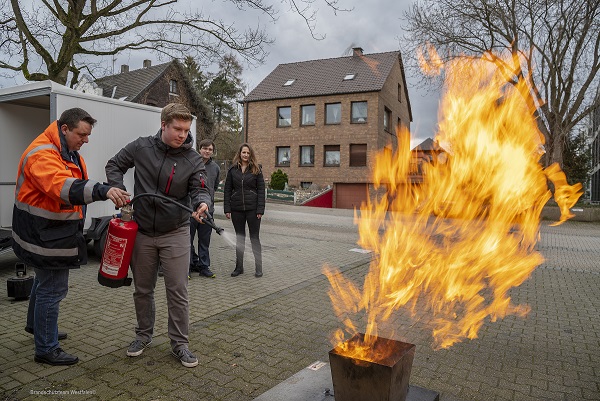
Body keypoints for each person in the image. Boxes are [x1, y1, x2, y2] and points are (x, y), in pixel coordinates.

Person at [12, 108, 130, 366]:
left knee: (43, 283)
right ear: (64, 129)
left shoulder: (68, 151)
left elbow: (75, 183)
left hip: (48, 231)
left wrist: (99, 190)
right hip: (45, 235)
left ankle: (38, 327)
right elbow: (63, 186)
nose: (86, 140)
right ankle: (46, 348)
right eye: (82, 134)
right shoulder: (42, 154)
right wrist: (103, 190)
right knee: (53, 289)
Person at [105, 103, 210, 368]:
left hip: (175, 230)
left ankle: (180, 344)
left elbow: (200, 188)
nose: (182, 135)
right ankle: (143, 336)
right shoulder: (142, 147)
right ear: (163, 125)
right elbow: (114, 164)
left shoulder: (193, 159)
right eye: (177, 129)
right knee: (143, 289)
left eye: (186, 130)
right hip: (141, 232)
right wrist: (116, 188)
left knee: (177, 289)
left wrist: (201, 203)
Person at [224, 143, 265, 278]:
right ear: (239, 154)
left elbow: (261, 191)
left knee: (254, 239)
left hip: (253, 210)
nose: (246, 155)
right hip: (237, 209)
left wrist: (260, 209)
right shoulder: (232, 170)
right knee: (239, 239)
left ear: (250, 154)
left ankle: (258, 268)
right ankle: (239, 267)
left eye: (248, 153)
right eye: (243, 153)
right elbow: (227, 190)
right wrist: (227, 208)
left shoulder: (256, 169)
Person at [189, 139, 221, 278]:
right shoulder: (192, 164)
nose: (207, 151)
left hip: (208, 211)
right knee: (187, 240)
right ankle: (188, 266)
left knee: (204, 240)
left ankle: (204, 266)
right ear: (199, 149)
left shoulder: (215, 168)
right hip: (191, 211)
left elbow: (213, 188)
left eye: (210, 149)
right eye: (205, 148)